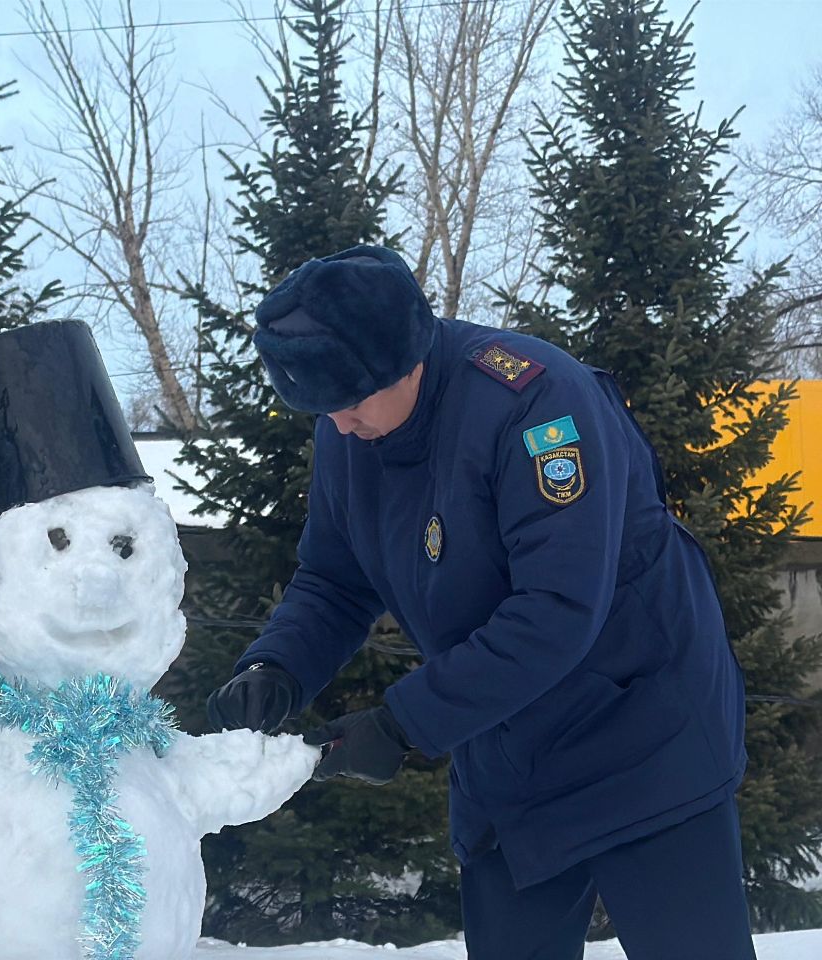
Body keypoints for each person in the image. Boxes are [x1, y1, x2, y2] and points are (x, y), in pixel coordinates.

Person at [206, 246, 755, 959]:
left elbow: (556, 610)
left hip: (642, 737)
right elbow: (334, 581)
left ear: (406, 357)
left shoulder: (533, 403)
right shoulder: (349, 428)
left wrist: (401, 725)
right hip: (509, 761)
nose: (337, 424)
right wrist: (275, 668)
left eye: (347, 402)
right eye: (321, 406)